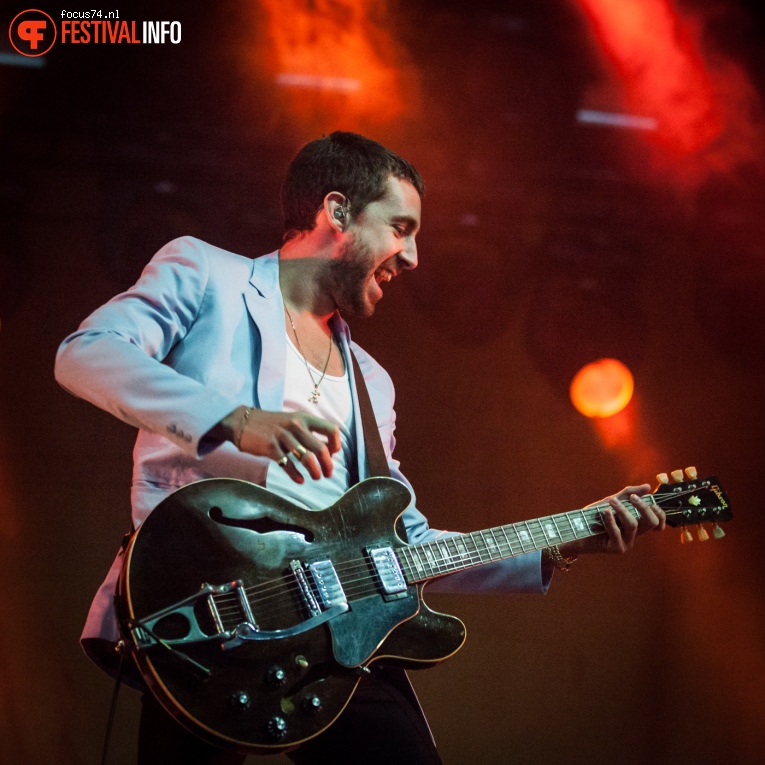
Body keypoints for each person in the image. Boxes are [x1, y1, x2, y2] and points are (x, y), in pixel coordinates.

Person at [55, 131, 666, 765]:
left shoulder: (373, 382)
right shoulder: (208, 274)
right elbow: (87, 353)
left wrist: (562, 539)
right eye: (401, 227)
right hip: (209, 612)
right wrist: (236, 420)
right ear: (338, 211)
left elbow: (402, 547)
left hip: (339, 637)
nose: (414, 257)